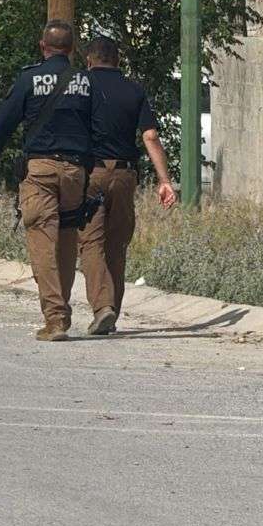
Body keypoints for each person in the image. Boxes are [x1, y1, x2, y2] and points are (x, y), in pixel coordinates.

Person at [0, 20, 94, 342]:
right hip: (76, 171)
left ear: (42, 46)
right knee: (67, 238)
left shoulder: (29, 79)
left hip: (41, 171)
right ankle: (62, 307)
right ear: (72, 49)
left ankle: (56, 318)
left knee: (43, 242)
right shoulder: (85, 81)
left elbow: (2, 123)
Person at [77, 37, 177, 336]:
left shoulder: (81, 86)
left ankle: (102, 307)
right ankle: (112, 311)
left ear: (89, 61)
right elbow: (150, 136)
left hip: (90, 172)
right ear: (118, 60)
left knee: (91, 242)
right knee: (117, 244)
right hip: (124, 175)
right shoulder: (134, 90)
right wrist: (165, 181)